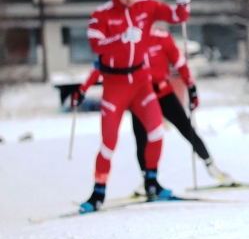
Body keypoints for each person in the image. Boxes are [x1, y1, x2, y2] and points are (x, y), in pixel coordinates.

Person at [70, 0, 191, 213]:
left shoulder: (146, 6)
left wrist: (184, 3)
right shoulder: (101, 14)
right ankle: (97, 193)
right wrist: (122, 38)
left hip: (140, 81)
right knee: (109, 143)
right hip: (115, 85)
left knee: (156, 132)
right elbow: (96, 46)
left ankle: (152, 182)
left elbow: (176, 17)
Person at [76, 27, 233, 188]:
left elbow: (179, 62)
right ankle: (148, 180)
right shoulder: (126, 39)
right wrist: (83, 88)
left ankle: (211, 166)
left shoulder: (162, 37)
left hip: (163, 92)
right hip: (140, 97)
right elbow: (102, 65)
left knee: (186, 129)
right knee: (142, 139)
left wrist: (191, 87)